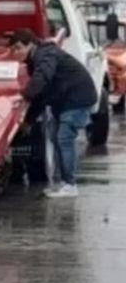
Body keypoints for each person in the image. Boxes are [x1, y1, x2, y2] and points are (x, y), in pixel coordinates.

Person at [9, 28, 98, 198]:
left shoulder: (46, 54)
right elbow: (41, 95)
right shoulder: (35, 60)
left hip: (77, 99)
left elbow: (42, 77)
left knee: (63, 139)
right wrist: (29, 120)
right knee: (55, 137)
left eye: (18, 47)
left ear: (31, 44)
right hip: (65, 101)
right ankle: (64, 183)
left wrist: (24, 95)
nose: (16, 52)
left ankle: (70, 185)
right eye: (13, 49)